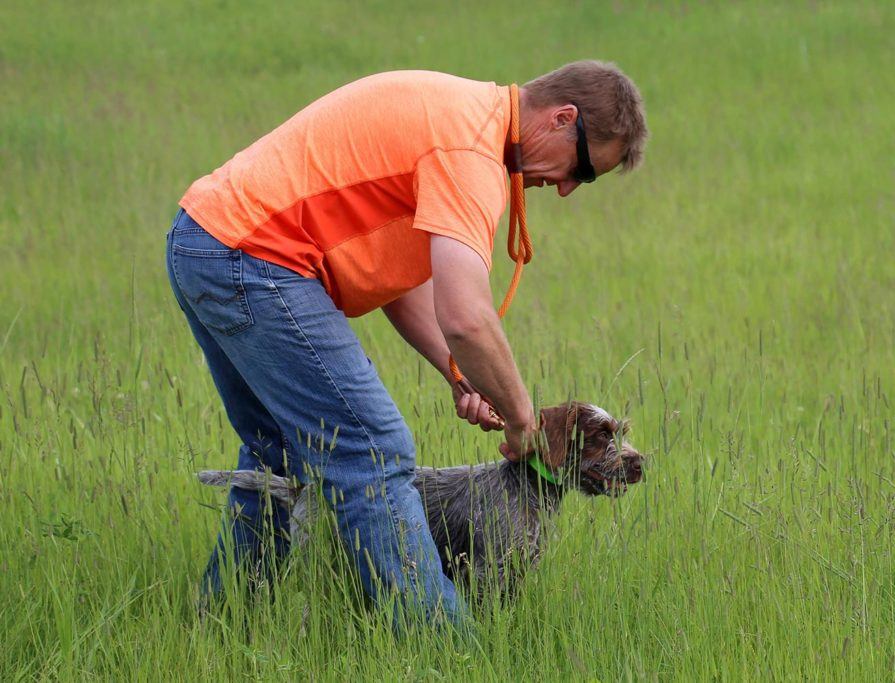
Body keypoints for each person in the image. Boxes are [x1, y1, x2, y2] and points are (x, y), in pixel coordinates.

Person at [165, 60, 648, 626]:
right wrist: (523, 423)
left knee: (283, 452)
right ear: (562, 119)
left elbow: (397, 275)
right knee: (373, 448)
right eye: (584, 169)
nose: (566, 189)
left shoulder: (463, 115)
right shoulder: (472, 151)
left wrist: (458, 371)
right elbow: (467, 316)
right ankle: (442, 651)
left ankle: (223, 624)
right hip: (257, 259)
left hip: (206, 238)